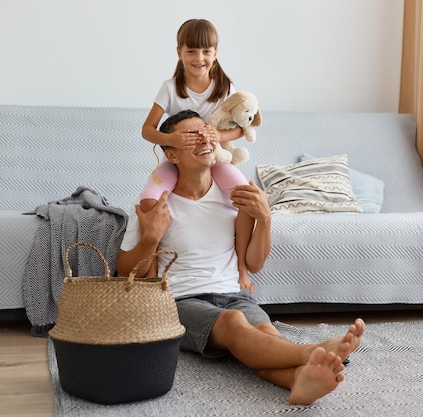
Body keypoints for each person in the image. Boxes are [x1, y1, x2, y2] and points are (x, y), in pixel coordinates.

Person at [117, 110, 365, 405]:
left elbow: (255, 263)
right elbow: (124, 273)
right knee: (234, 322)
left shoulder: (234, 197)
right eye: (191, 136)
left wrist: (265, 218)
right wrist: (150, 238)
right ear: (172, 155)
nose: (203, 139)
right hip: (180, 301)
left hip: (234, 294)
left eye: (205, 131)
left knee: (264, 333)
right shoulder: (156, 205)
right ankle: (311, 351)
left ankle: (297, 379)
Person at [140, 18, 254, 292]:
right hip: (178, 159)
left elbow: (241, 129)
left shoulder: (224, 88)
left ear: (215, 53)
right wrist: (171, 140)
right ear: (179, 53)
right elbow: (147, 130)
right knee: (148, 201)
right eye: (191, 51)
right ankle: (153, 271)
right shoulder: (170, 88)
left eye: (206, 51)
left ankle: (240, 268)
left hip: (213, 158)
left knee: (247, 199)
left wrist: (218, 137)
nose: (198, 58)